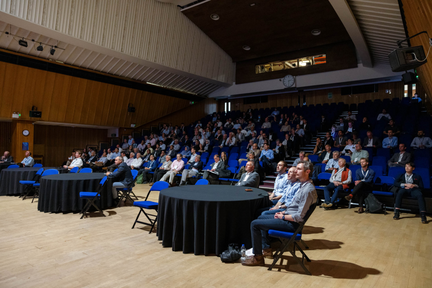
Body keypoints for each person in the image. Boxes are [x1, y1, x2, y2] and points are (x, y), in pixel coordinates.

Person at [242, 161, 317, 266]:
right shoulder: (303, 185)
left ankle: (258, 257)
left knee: (255, 224)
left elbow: (299, 217)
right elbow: (294, 207)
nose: (296, 171)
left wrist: (283, 216)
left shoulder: (307, 190)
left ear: (307, 171)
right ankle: (265, 249)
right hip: (287, 217)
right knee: (261, 217)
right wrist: (283, 211)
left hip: (291, 224)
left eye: (299, 169)